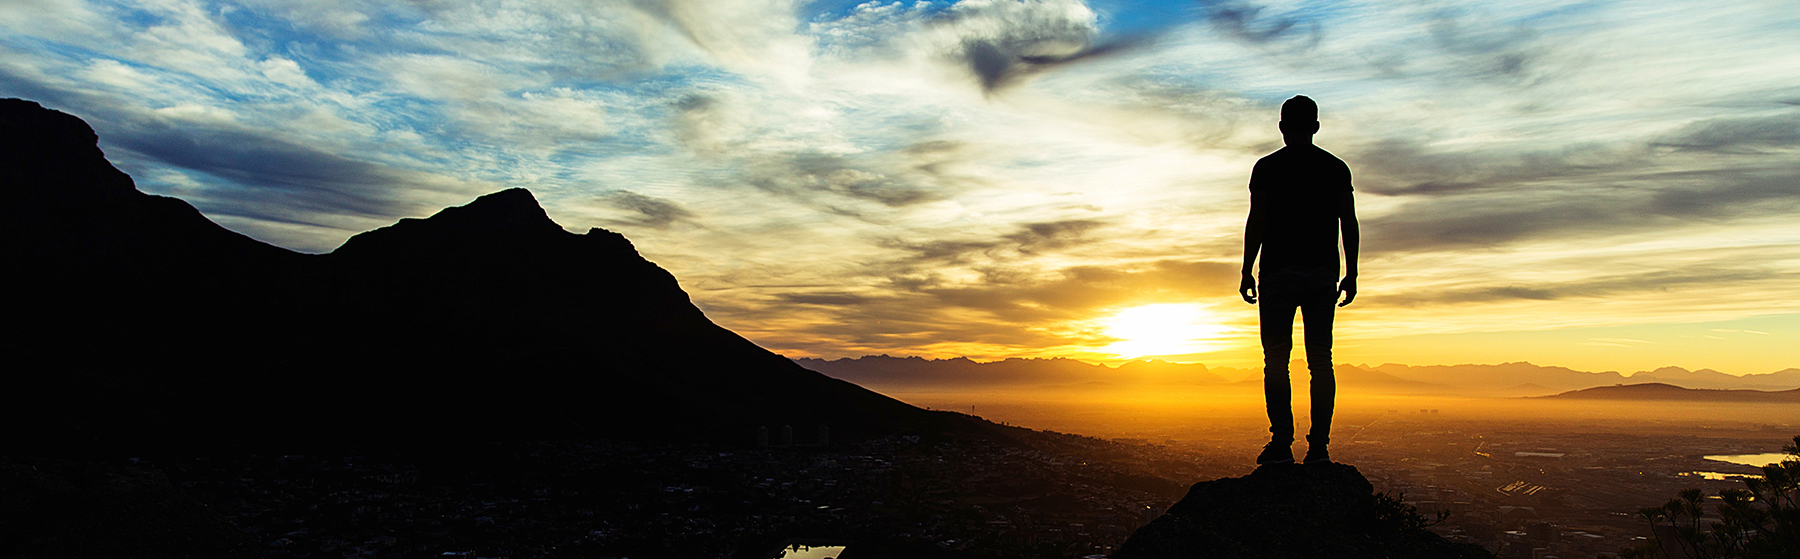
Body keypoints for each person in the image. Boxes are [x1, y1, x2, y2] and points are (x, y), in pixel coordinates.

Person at [1239, 95, 1359, 465]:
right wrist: (1351, 273)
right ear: (1316, 127)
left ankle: (1281, 444)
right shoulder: (1335, 168)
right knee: (1320, 359)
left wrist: (1247, 269)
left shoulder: (1267, 168)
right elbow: (1348, 224)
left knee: (1276, 359)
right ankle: (1319, 447)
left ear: (1282, 128)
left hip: (1277, 273)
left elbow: (1256, 220)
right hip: (1322, 275)